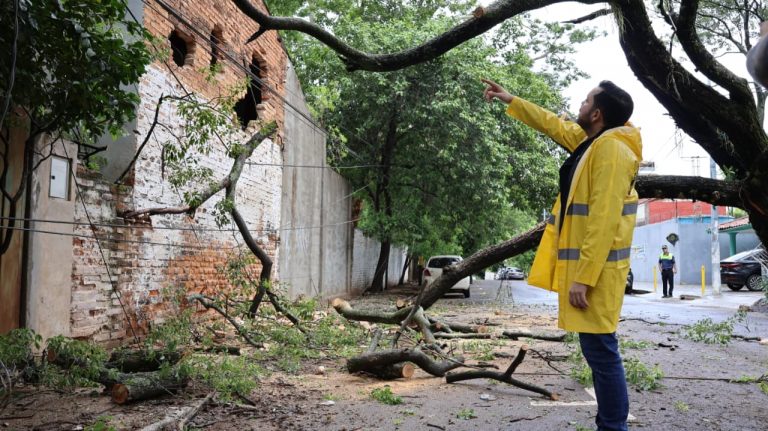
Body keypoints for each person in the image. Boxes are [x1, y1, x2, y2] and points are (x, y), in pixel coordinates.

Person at [482, 79, 641, 431]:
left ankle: (613, 427)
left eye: (585, 102)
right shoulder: (594, 143)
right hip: (590, 271)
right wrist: (512, 99)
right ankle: (610, 424)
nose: (578, 107)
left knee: (602, 352)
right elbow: (555, 125)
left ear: (597, 114)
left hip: (596, 274)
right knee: (597, 350)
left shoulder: (611, 151)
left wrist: (584, 278)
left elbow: (603, 219)